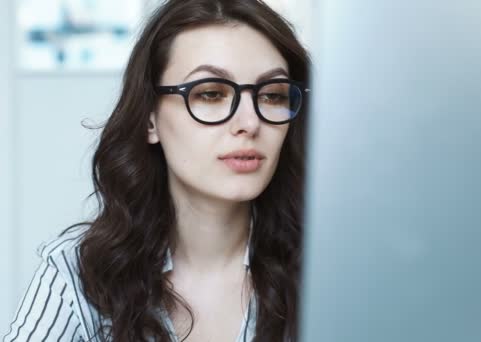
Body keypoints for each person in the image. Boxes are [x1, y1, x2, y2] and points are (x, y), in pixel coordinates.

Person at [3, 0, 311, 341]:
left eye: (272, 95)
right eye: (210, 94)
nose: (250, 123)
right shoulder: (77, 273)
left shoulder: (331, 266)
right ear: (150, 118)